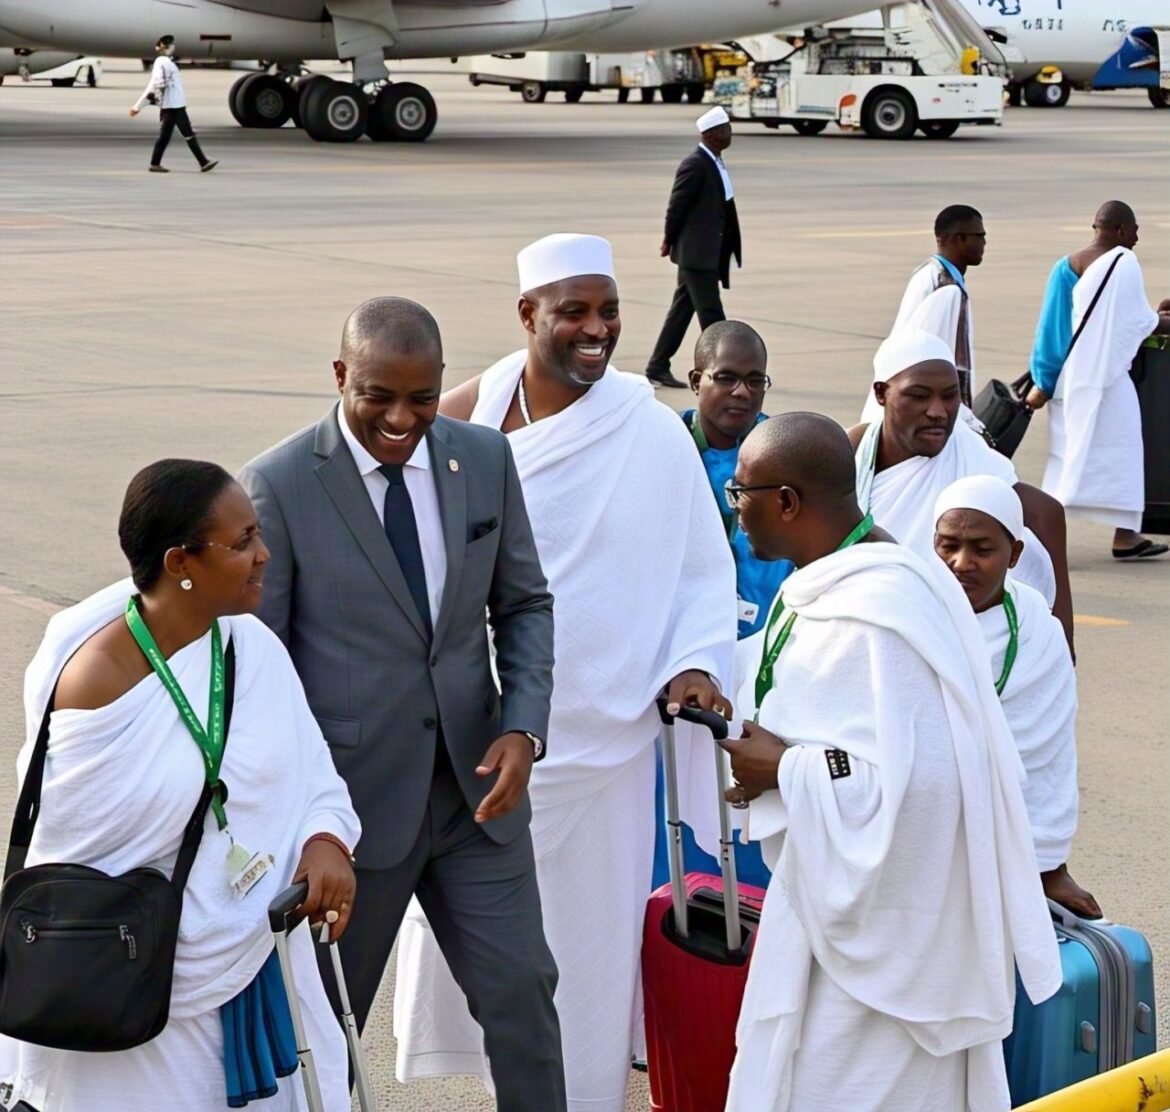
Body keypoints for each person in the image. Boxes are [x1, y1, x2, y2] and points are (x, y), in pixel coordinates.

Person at [394, 233, 737, 1112]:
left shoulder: (653, 431)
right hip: (485, 737)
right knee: (477, 942)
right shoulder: (470, 412)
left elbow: (703, 570)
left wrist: (694, 664)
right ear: (527, 316)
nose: (598, 330)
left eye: (610, 311)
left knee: (585, 948)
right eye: (575, 312)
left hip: (606, 731)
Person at [239, 297, 567, 1110]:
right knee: (324, 1026)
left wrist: (524, 725)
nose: (400, 417)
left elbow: (524, 604)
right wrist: (303, 819)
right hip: (348, 820)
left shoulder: (483, 459)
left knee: (524, 995)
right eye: (378, 395)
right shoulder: (278, 484)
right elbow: (260, 670)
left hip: (474, 801)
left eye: (422, 398)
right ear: (341, 374)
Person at [719, 414, 1061, 1112]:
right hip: (824, 902)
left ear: (787, 502)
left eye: (741, 492)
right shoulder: (827, 583)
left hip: (889, 943)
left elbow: (928, 786)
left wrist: (784, 772)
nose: (736, 507)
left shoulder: (883, 611)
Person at [0, 459, 360, 1112]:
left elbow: (311, 773)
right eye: (243, 541)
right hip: (133, 988)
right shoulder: (95, 683)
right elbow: (77, 866)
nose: (263, 555)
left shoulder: (250, 649)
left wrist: (325, 838)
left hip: (255, 961)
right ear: (179, 564)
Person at [933, 475, 1100, 919]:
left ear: (1016, 554)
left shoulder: (1037, 630)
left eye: (982, 550)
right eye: (947, 545)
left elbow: (1046, 754)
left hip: (1017, 832)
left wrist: (1046, 861)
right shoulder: (909, 613)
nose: (960, 562)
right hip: (922, 820)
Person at [850, 328, 1076, 651]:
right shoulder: (853, 451)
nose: (938, 411)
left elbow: (1046, 512)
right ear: (881, 393)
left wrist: (1063, 639)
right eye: (919, 395)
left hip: (952, 644)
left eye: (949, 395)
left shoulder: (970, 454)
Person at [1026, 200, 1170, 560]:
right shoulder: (1124, 263)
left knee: (1069, 459)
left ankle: (1126, 535)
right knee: (1122, 453)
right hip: (1107, 383)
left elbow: (1053, 329)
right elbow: (1132, 325)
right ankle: (1057, 538)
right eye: (1134, 231)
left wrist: (1043, 380)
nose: (1136, 239)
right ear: (1119, 230)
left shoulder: (1066, 266)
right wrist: (1161, 320)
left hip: (1069, 382)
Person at [685, 320, 793, 638]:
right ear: (695, 381)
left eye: (754, 380)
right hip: (686, 635)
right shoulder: (667, 446)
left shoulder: (788, 453)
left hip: (769, 638)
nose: (742, 391)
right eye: (726, 378)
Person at [644, 105, 742, 389]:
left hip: (705, 252)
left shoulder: (714, 162)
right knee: (712, 314)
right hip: (697, 254)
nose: (729, 134)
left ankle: (657, 365)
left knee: (681, 311)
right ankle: (728, 367)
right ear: (711, 135)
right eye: (725, 130)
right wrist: (668, 238)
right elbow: (677, 206)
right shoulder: (695, 164)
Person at [861, 204, 984, 424]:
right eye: (979, 236)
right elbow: (940, 352)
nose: (984, 243)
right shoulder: (945, 286)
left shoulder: (935, 275)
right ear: (959, 239)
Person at [129, 35, 218, 174]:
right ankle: (201, 162)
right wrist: (138, 106)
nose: (173, 46)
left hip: (175, 104)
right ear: (164, 47)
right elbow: (155, 83)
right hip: (172, 106)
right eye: (170, 44)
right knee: (180, 135)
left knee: (178, 135)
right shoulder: (162, 62)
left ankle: (201, 162)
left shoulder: (168, 62)